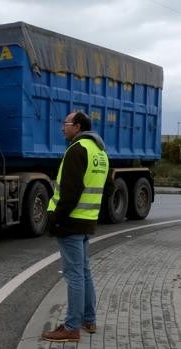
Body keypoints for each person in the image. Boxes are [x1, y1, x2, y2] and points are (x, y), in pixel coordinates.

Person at [41, 111, 114, 342]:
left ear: (78, 126)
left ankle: (71, 328)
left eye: (66, 124)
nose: (63, 128)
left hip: (71, 221)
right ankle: (88, 320)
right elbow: (107, 189)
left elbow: (70, 193)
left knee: (74, 275)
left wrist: (55, 220)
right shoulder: (100, 152)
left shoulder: (77, 150)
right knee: (84, 272)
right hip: (86, 220)